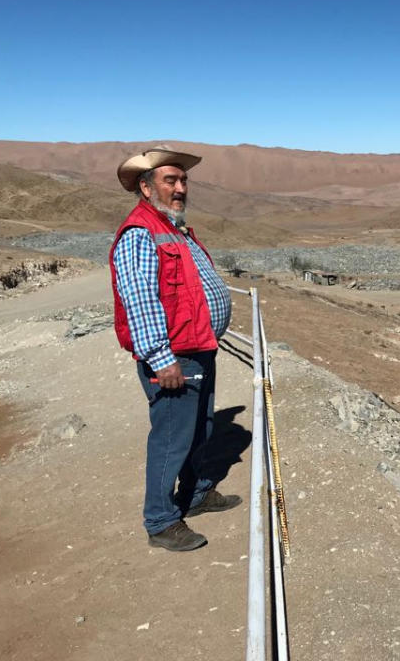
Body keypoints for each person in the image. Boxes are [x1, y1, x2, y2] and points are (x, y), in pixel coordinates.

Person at [110, 146, 240, 552]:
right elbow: (141, 299)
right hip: (174, 357)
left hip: (198, 348)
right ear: (146, 188)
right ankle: (161, 520)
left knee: (199, 427)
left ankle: (196, 493)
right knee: (172, 437)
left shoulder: (173, 227)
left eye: (183, 180)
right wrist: (161, 358)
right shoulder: (139, 233)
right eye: (171, 180)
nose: (180, 188)